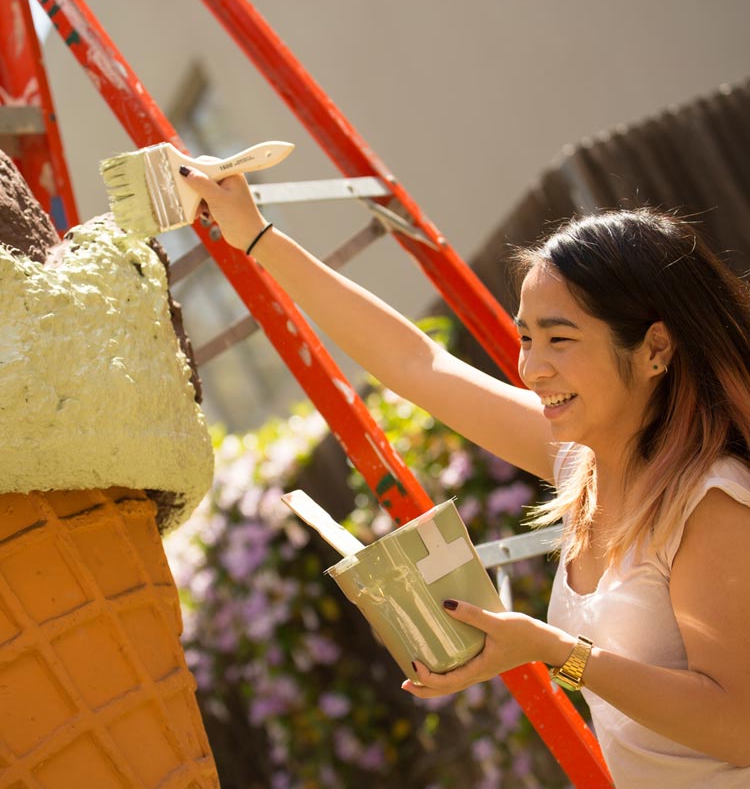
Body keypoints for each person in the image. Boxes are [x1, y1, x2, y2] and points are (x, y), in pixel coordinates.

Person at [181, 165, 750, 788]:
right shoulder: (586, 465)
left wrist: (556, 654)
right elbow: (417, 362)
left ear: (656, 350)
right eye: (526, 338)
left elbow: (735, 725)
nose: (532, 368)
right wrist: (257, 237)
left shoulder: (711, 500)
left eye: (560, 339)